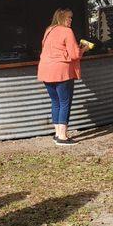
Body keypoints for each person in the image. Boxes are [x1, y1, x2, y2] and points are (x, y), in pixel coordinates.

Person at [37, 8, 89, 145]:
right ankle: (63, 137)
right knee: (65, 102)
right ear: (61, 18)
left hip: (45, 70)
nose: (70, 20)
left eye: (71, 18)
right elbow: (74, 55)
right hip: (61, 71)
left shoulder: (49, 30)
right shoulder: (67, 31)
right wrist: (84, 49)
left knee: (55, 102)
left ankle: (57, 133)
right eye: (68, 18)